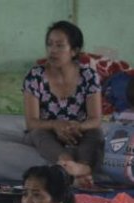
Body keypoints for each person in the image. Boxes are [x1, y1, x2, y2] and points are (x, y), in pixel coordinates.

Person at [23, 20, 103, 188]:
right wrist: (55, 125)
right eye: (50, 44)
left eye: (60, 45)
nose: (53, 50)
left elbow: (95, 119)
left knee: (95, 133)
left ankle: (82, 166)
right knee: (37, 133)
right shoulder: (35, 76)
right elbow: (31, 122)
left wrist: (77, 127)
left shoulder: (89, 76)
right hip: (47, 129)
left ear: (74, 51)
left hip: (78, 130)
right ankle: (68, 164)